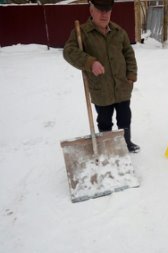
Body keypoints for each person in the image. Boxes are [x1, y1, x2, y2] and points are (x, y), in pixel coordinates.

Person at [63, 0, 140, 153]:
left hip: (122, 86)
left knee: (125, 117)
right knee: (104, 120)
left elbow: (129, 54)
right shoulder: (82, 32)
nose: (104, 14)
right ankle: (107, 146)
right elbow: (68, 51)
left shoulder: (119, 31)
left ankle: (126, 142)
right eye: (100, 10)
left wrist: (131, 76)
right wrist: (90, 63)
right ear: (91, 11)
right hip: (101, 88)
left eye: (108, 10)